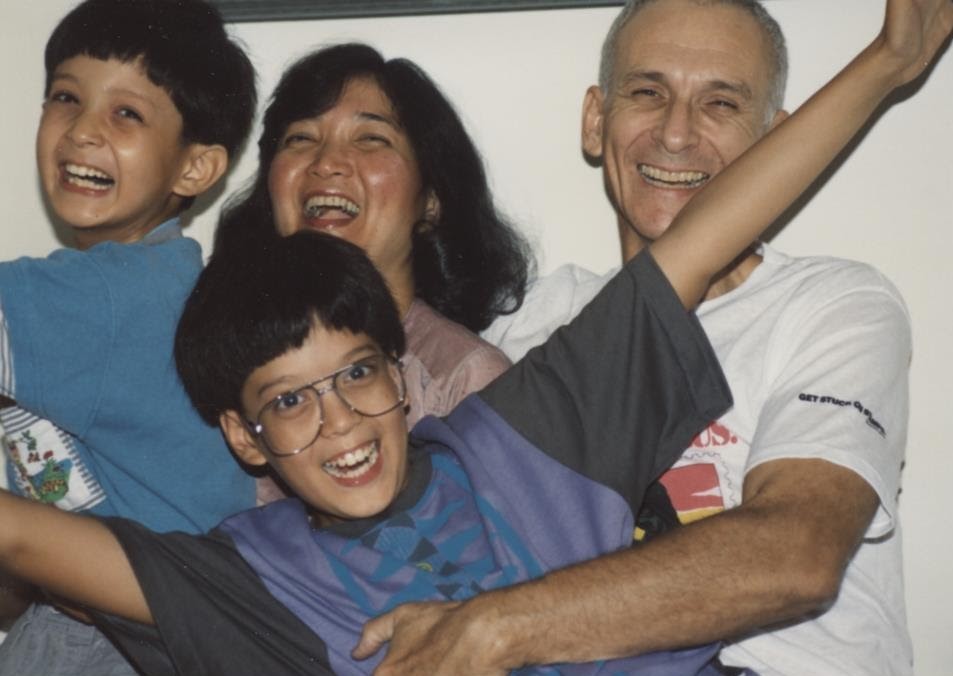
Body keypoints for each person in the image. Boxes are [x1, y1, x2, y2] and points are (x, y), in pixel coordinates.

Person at [0, 0, 947, 671]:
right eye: (288, 400)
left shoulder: (512, 435)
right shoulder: (258, 565)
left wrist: (887, 64)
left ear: (402, 372)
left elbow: (698, 249)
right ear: (242, 436)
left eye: (357, 375)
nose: (337, 419)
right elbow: (36, 544)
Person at [361, 1, 950, 674]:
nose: (675, 134)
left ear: (775, 138)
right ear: (595, 120)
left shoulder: (832, 305)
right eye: (647, 93)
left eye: (720, 104)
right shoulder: (522, 328)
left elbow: (797, 553)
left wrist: (497, 627)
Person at [0, 0, 257, 674]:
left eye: (126, 114)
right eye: (66, 97)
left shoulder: (112, 295)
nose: (83, 130)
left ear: (195, 169)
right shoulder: (152, 279)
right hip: (156, 629)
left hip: (115, 643)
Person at [214, 43, 531, 435]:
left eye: (370, 139)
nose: (326, 163)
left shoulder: (465, 382)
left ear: (431, 201)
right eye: (301, 138)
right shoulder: (229, 359)